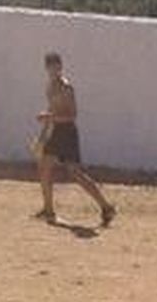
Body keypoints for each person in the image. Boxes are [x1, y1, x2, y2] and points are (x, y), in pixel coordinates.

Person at [35, 52, 115, 227]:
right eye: (51, 67)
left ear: (61, 67)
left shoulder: (66, 87)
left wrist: (49, 119)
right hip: (56, 131)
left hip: (68, 133)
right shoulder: (50, 86)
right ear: (46, 68)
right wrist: (43, 134)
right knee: (44, 166)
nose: (54, 70)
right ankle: (48, 210)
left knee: (75, 174)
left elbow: (72, 115)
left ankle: (106, 206)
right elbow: (52, 110)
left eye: (57, 67)